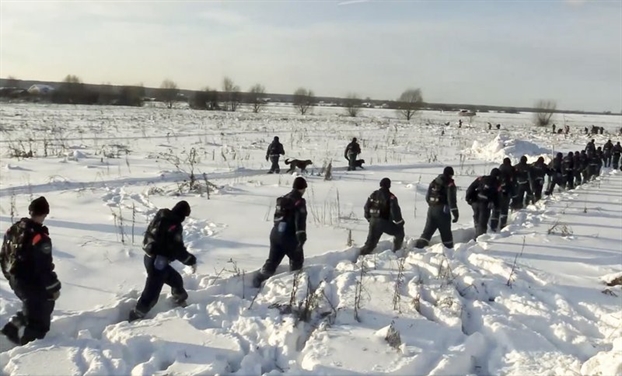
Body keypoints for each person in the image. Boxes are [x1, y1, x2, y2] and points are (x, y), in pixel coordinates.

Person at [0, 196, 61, 346]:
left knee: (34, 305)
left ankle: (13, 327)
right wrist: (54, 288)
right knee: (41, 315)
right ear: (44, 214)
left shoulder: (14, 229)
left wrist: (9, 276)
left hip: (15, 278)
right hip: (30, 281)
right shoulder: (39, 237)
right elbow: (44, 267)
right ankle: (29, 348)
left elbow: (3, 254)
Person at [129, 201, 197, 322]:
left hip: (148, 257)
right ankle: (136, 315)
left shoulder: (162, 216)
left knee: (176, 279)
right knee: (152, 293)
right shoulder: (174, 225)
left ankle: (179, 299)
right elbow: (177, 249)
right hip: (158, 262)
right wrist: (190, 260)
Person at [253, 177, 308, 288]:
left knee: (272, 261)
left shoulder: (283, 200)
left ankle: (257, 282)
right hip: (289, 236)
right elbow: (300, 220)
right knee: (297, 259)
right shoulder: (299, 202)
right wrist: (301, 237)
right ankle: (295, 285)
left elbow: (277, 218)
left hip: (275, 234)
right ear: (302, 188)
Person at [414, 167, 459, 250]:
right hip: (443, 211)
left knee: (427, 231)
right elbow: (451, 200)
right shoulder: (450, 184)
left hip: (431, 210)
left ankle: (418, 248)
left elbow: (427, 197)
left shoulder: (434, 182)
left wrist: (432, 205)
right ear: (451, 174)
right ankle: (449, 251)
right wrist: (455, 213)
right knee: (446, 233)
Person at [359, 178, 405, 256]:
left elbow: (366, 207)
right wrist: (400, 222)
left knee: (370, 243)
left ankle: (361, 255)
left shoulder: (373, 194)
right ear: (389, 185)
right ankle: (397, 251)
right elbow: (395, 211)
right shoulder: (391, 197)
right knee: (399, 233)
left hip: (373, 221)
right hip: (384, 222)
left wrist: (369, 218)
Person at [465, 168, 501, 237]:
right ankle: (479, 239)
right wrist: (497, 207)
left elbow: (471, 187)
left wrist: (468, 198)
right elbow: (497, 197)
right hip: (485, 204)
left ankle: (476, 231)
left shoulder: (481, 178)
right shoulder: (497, 183)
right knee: (482, 223)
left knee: (477, 217)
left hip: (475, 201)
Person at [490, 158, 514, 231]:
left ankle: (493, 226)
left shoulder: (500, 168)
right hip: (506, 193)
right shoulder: (511, 169)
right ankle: (503, 225)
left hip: (497, 195)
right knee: (504, 209)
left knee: (496, 210)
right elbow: (511, 183)